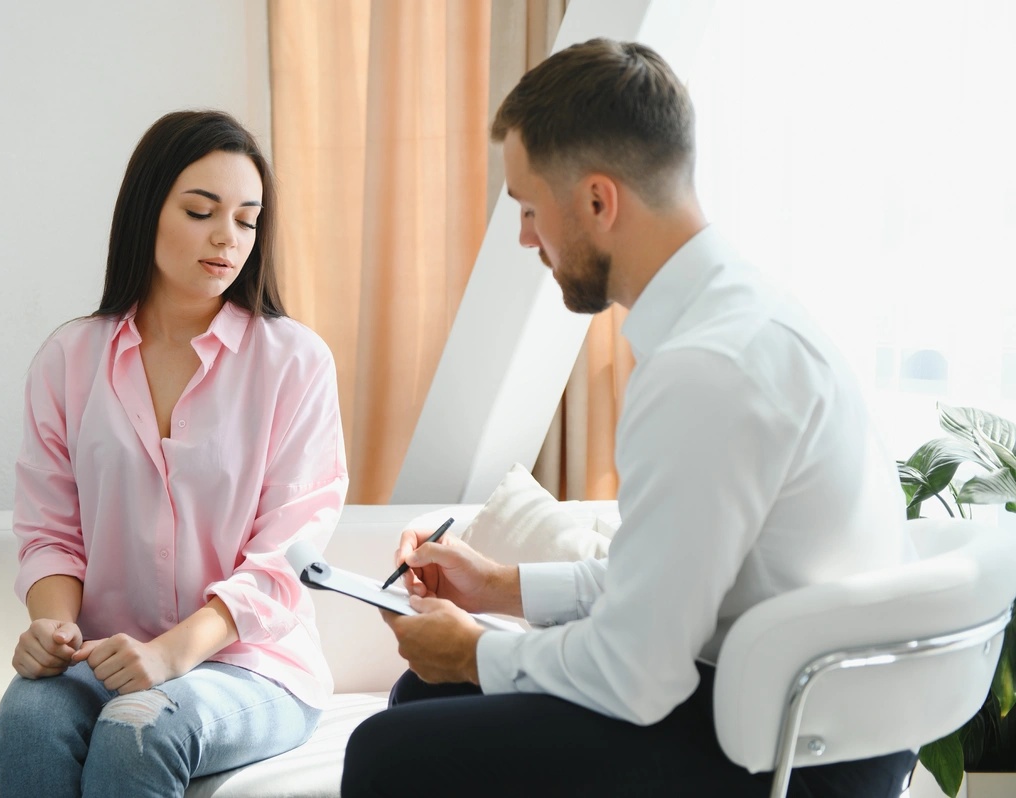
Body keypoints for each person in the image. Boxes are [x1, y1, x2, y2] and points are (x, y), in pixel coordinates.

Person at [341, 39, 916, 797]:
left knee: (387, 753)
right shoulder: (744, 317)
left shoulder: (706, 368)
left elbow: (636, 675)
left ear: (597, 202)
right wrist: (503, 587)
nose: (525, 238)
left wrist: (474, 651)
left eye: (528, 209)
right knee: (425, 696)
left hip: (793, 753)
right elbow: (667, 578)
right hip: (804, 711)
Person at [0, 110, 348, 798]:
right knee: (29, 722)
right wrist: (51, 627)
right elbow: (51, 532)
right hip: (103, 658)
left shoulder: (295, 362)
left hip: (250, 665)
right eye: (201, 211)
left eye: (247, 220)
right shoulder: (68, 359)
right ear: (146, 211)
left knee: (141, 727)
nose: (227, 237)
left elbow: (287, 556)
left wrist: (170, 654)